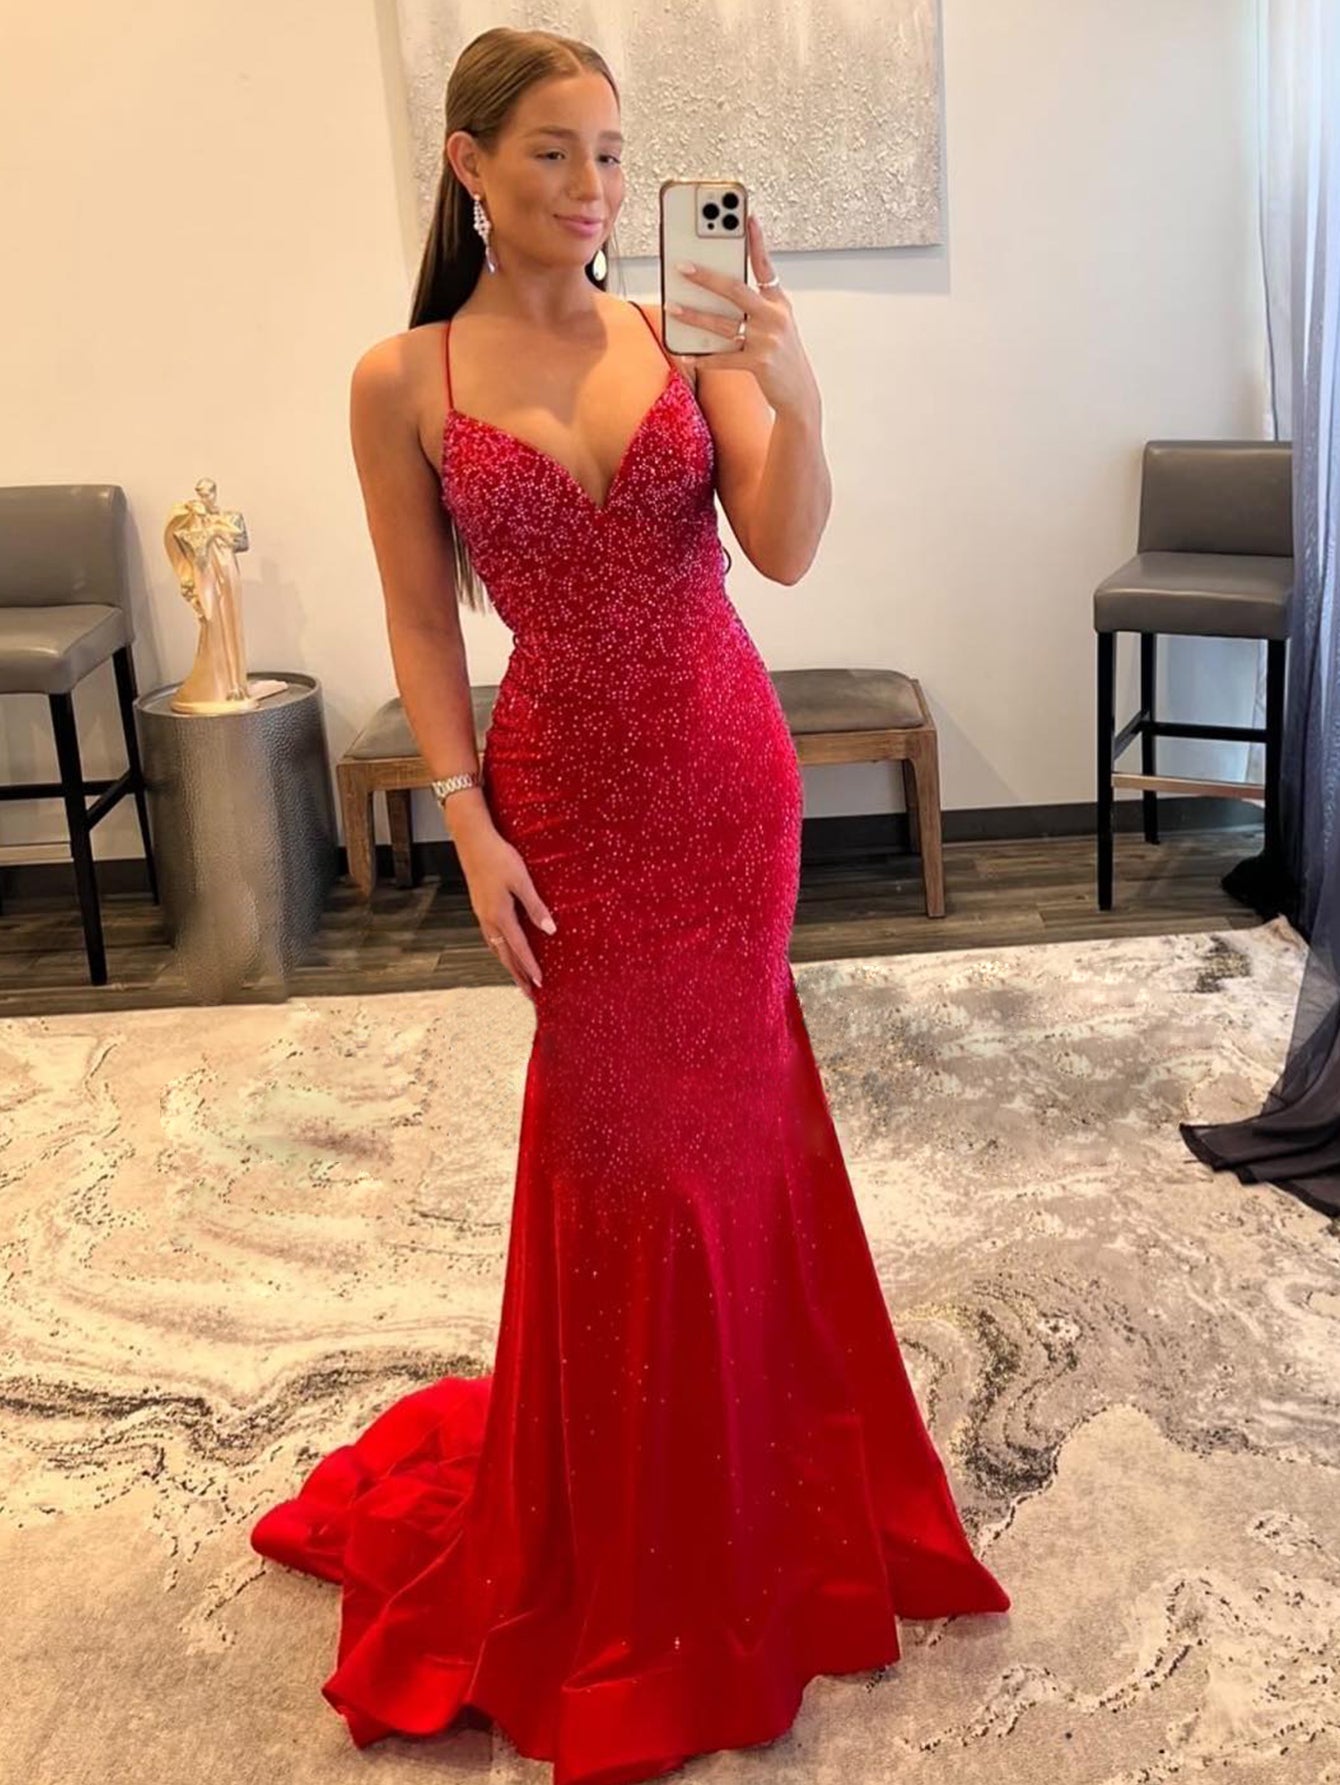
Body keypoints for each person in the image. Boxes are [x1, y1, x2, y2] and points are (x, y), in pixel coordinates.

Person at [249, 26, 1010, 1785]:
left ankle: (743, 1507)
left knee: (723, 1143)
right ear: (467, 165)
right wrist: (463, 816)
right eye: (552, 152)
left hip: (725, 786)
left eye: (610, 153)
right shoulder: (403, 378)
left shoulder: (684, 335)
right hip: (565, 807)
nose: (592, 188)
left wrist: (798, 390)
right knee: (618, 1158)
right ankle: (628, 1534)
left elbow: (785, 545)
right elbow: (422, 618)